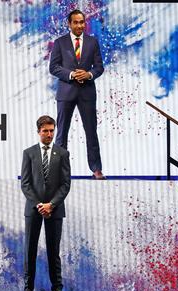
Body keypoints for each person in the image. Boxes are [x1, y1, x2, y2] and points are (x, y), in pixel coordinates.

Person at [20, 116, 71, 291]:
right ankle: (27, 290)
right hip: (34, 210)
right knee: (30, 249)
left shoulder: (63, 153)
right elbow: (25, 183)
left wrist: (52, 204)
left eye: (52, 131)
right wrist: (39, 205)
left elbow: (66, 184)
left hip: (55, 210)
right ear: (38, 132)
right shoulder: (29, 153)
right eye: (45, 131)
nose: (49, 134)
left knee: (53, 251)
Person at [49, 9, 105, 180]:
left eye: (82, 22)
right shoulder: (60, 43)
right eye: (76, 22)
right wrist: (72, 74)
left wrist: (88, 74)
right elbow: (54, 67)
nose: (80, 25)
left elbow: (99, 67)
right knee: (61, 133)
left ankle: (96, 169)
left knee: (91, 132)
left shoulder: (92, 42)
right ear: (69, 23)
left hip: (87, 92)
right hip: (66, 93)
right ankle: (58, 172)